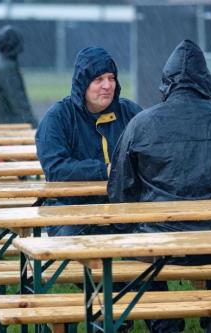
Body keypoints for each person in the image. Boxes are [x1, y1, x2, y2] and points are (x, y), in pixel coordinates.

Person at [108, 39, 211, 333]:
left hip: (159, 239)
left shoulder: (141, 123)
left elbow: (120, 190)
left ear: (167, 82)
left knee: (131, 252)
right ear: (205, 80)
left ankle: (165, 324)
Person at [35, 46, 142, 237]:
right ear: (83, 83)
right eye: (98, 79)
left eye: (111, 78)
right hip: (70, 210)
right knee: (69, 242)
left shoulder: (131, 113)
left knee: (156, 241)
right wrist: (105, 170)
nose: (107, 85)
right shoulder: (57, 119)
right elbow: (56, 169)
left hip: (124, 208)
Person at [0, 25, 37, 127]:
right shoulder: (6, 67)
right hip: (6, 123)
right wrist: (33, 123)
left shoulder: (1, 61)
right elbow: (17, 100)